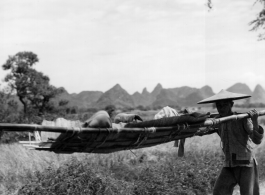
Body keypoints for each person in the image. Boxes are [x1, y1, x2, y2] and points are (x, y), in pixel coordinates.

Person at [197, 89, 264, 195]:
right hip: (229, 163)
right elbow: (204, 131)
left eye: (224, 105)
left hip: (245, 163)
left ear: (231, 104)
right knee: (219, 191)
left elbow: (257, 140)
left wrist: (255, 121)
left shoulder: (243, 119)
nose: (221, 108)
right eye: (219, 105)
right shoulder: (218, 121)